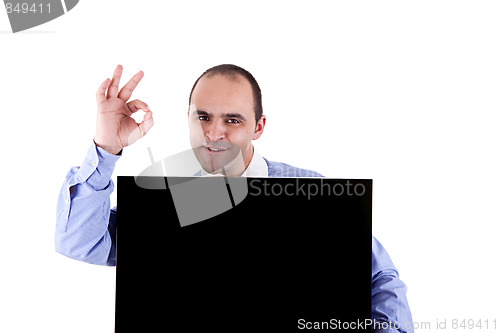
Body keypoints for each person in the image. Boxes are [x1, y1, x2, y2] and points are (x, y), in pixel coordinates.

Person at [55, 64, 413, 333]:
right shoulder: (167, 202)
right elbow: (79, 242)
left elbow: (379, 276)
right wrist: (105, 148)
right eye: (204, 117)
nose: (214, 133)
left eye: (233, 120)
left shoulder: (309, 192)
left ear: (258, 126)